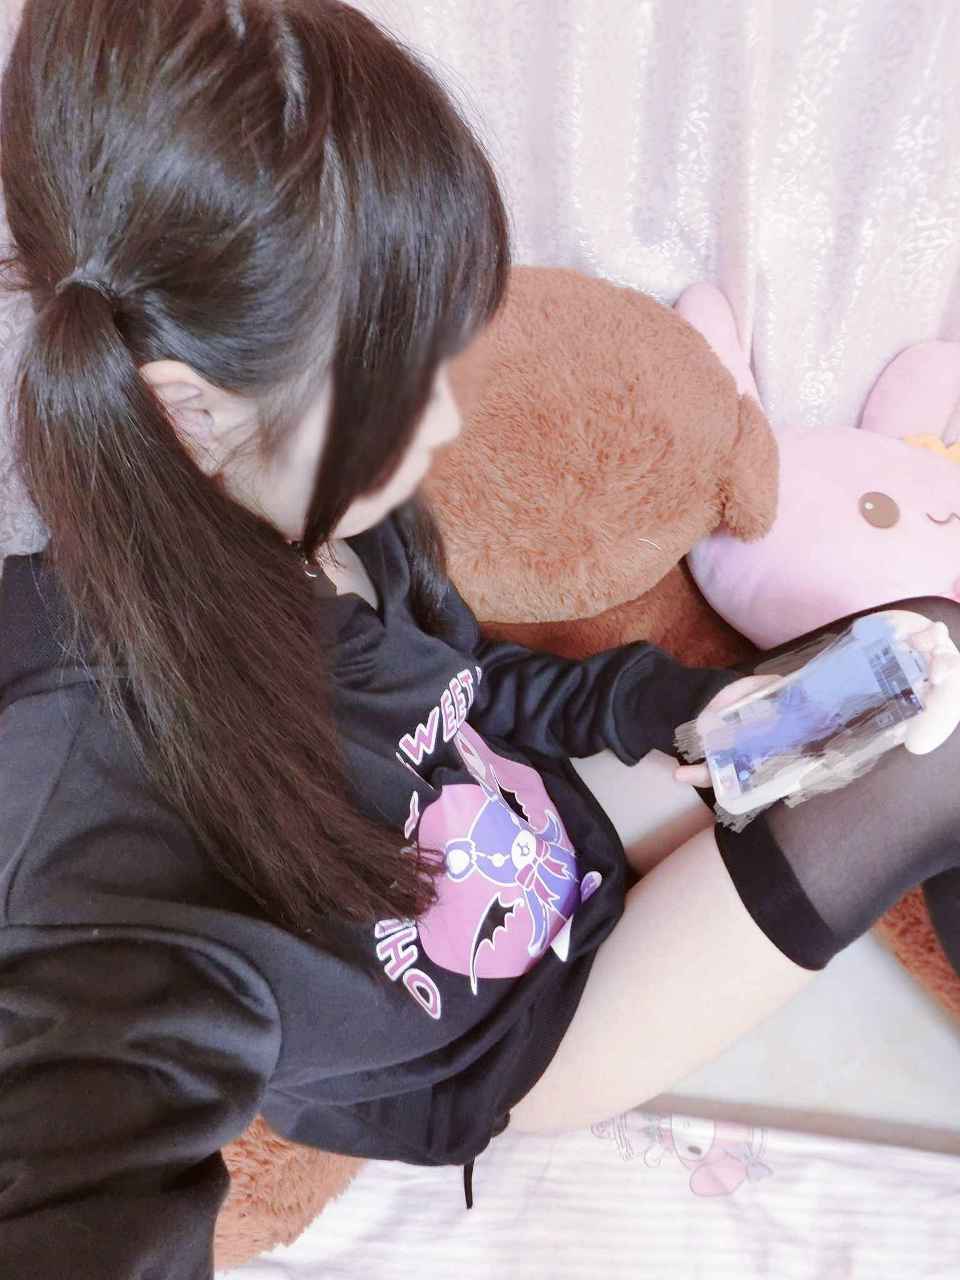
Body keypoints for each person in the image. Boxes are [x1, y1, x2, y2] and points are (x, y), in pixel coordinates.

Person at [1, 3, 959, 1276]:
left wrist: (665, 708)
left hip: (553, 821)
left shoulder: (319, 511)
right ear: (192, 411)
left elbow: (460, 690)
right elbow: (82, 1158)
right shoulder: (88, 815)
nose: (446, 422)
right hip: (525, 1029)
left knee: (915, 659)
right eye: (404, 382)